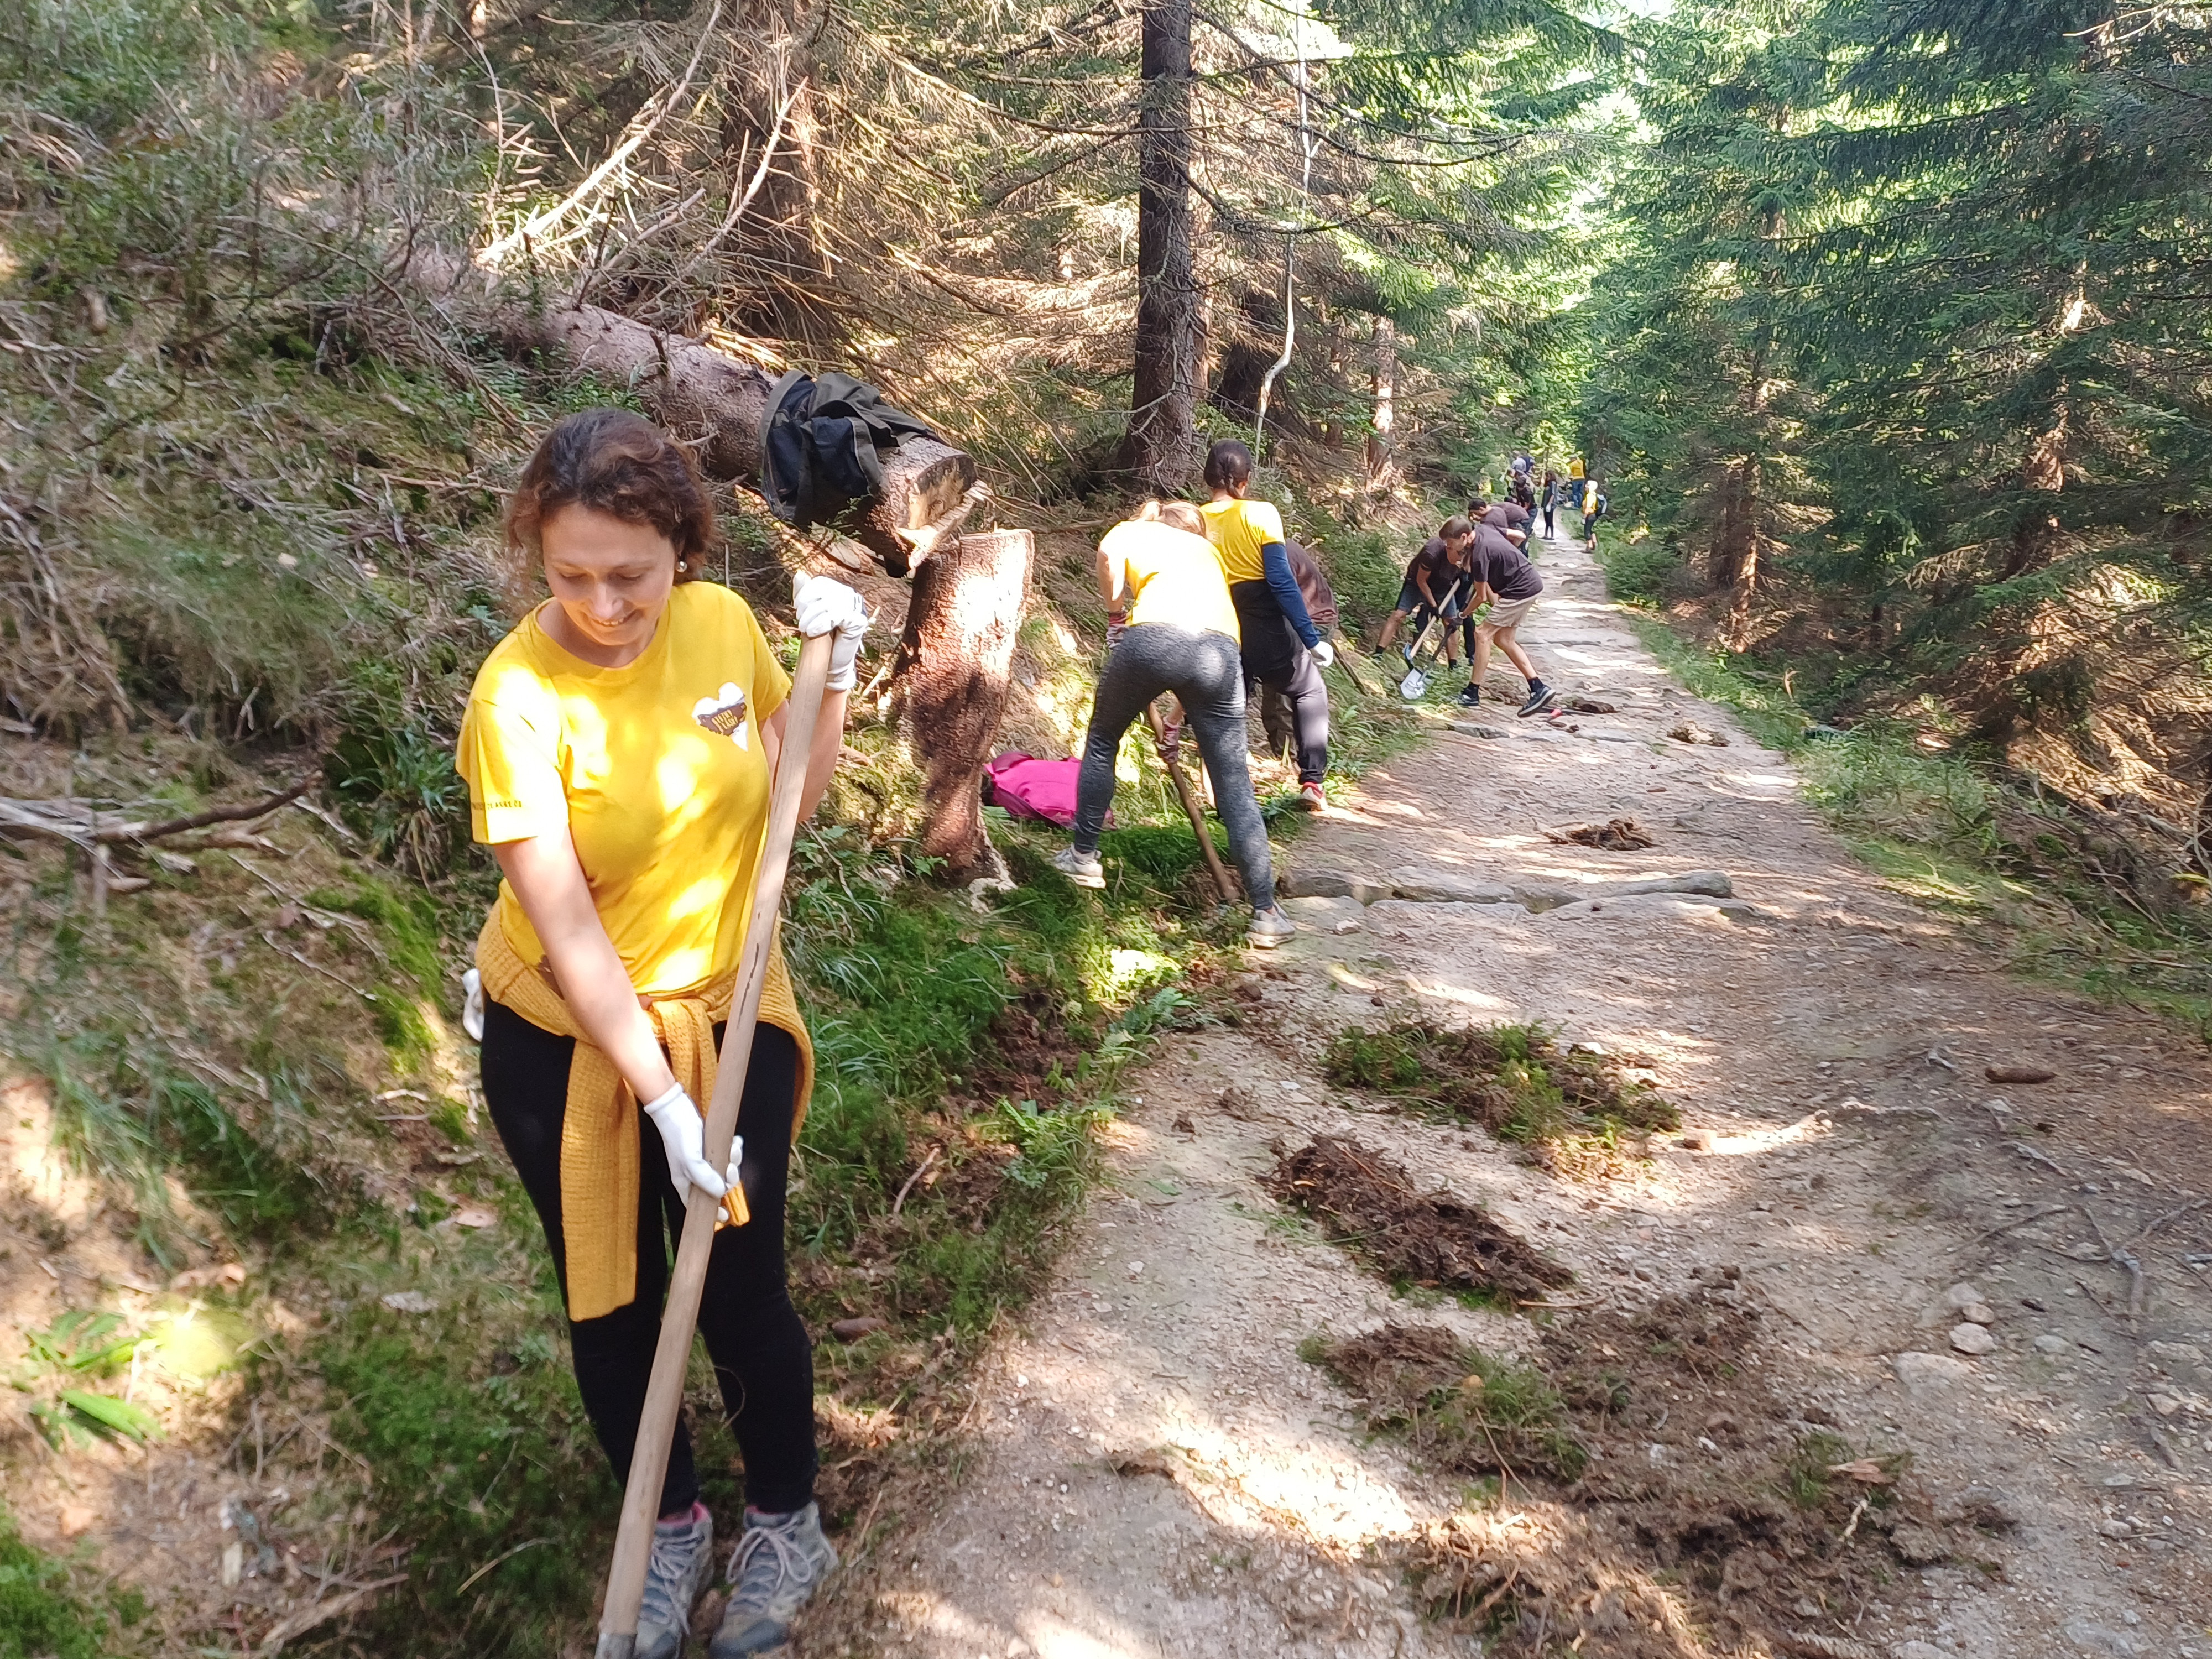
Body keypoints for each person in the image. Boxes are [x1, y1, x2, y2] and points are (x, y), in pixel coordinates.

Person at [455, 408, 867, 1659]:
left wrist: (835, 679)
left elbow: (791, 800)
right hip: (562, 1032)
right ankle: (669, 1525)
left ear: (681, 545)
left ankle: (785, 1522)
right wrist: (662, 1099)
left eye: (629, 575)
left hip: (729, 1008)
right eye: (569, 575)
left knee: (741, 1285)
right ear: (538, 555)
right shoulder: (516, 697)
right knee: (612, 1293)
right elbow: (569, 928)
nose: (602, 605)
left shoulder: (722, 625)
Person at [1052, 501, 1296, 946]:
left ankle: (1084, 855)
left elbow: (1107, 558)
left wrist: (1115, 615)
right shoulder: (1209, 553)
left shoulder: (1134, 530)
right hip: (1220, 654)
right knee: (1234, 783)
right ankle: (1265, 913)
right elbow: (1197, 650)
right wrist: (1176, 722)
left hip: (1153, 638)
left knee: (1104, 739)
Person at [1199, 439, 1333, 812]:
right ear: (1245, 481)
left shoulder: (1195, 519)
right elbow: (1280, 580)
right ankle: (1312, 781)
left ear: (1208, 477)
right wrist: (1310, 638)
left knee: (1228, 706)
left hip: (1216, 621)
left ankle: (1224, 795)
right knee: (1309, 690)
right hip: (1263, 623)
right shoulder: (1261, 514)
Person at [1455, 516, 1557, 716]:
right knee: (1503, 640)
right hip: (1529, 584)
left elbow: (1482, 597)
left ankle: (1472, 692)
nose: (1451, 548)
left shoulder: (1479, 555)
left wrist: (1462, 614)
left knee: (1482, 634)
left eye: (1451, 544)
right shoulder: (1485, 529)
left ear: (1464, 537)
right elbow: (1518, 535)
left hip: (1520, 590)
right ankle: (1538, 688)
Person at [1374, 518, 1474, 659]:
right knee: (1398, 615)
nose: (1459, 560)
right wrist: (1434, 606)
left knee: (1451, 623)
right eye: (1452, 549)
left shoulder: (1468, 551)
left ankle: (1453, 665)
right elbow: (1421, 581)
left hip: (1444, 588)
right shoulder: (1431, 553)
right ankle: (1378, 654)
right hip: (1416, 584)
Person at [1583, 480, 1609, 552]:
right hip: (1594, 515)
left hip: (1590, 515)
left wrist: (1584, 517)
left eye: (1587, 485)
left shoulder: (1590, 495)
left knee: (1587, 532)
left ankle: (1589, 547)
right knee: (1590, 530)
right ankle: (1595, 545)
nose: (1585, 486)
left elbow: (1588, 507)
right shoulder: (1595, 494)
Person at [1540, 470, 1561, 540]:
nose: (1547, 477)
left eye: (1548, 476)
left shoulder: (1553, 483)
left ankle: (1552, 535)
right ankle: (1546, 535)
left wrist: (1549, 504)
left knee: (1550, 520)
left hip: (1550, 504)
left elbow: (1553, 494)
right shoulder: (1548, 483)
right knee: (1546, 520)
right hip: (1546, 504)